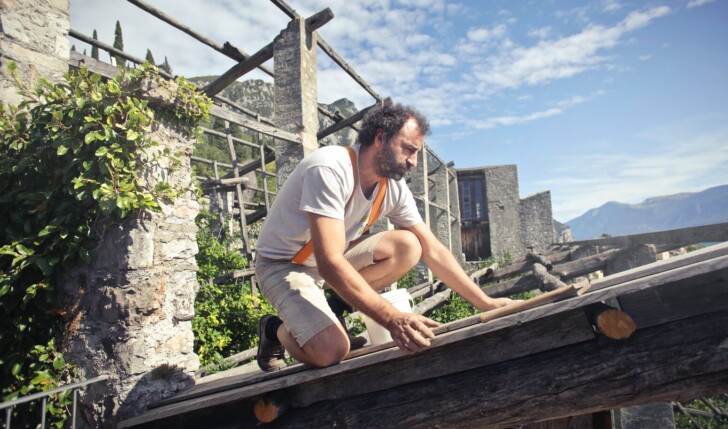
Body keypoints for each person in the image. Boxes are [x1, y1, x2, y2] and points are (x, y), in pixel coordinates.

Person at [254, 103, 517, 371]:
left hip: (328, 262)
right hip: (284, 265)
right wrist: (393, 319)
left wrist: (486, 303)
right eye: (409, 150)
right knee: (331, 351)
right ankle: (275, 329)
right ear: (380, 138)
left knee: (409, 246)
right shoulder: (330, 168)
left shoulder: (392, 188)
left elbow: (433, 250)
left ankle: (332, 309)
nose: (414, 162)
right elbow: (330, 263)